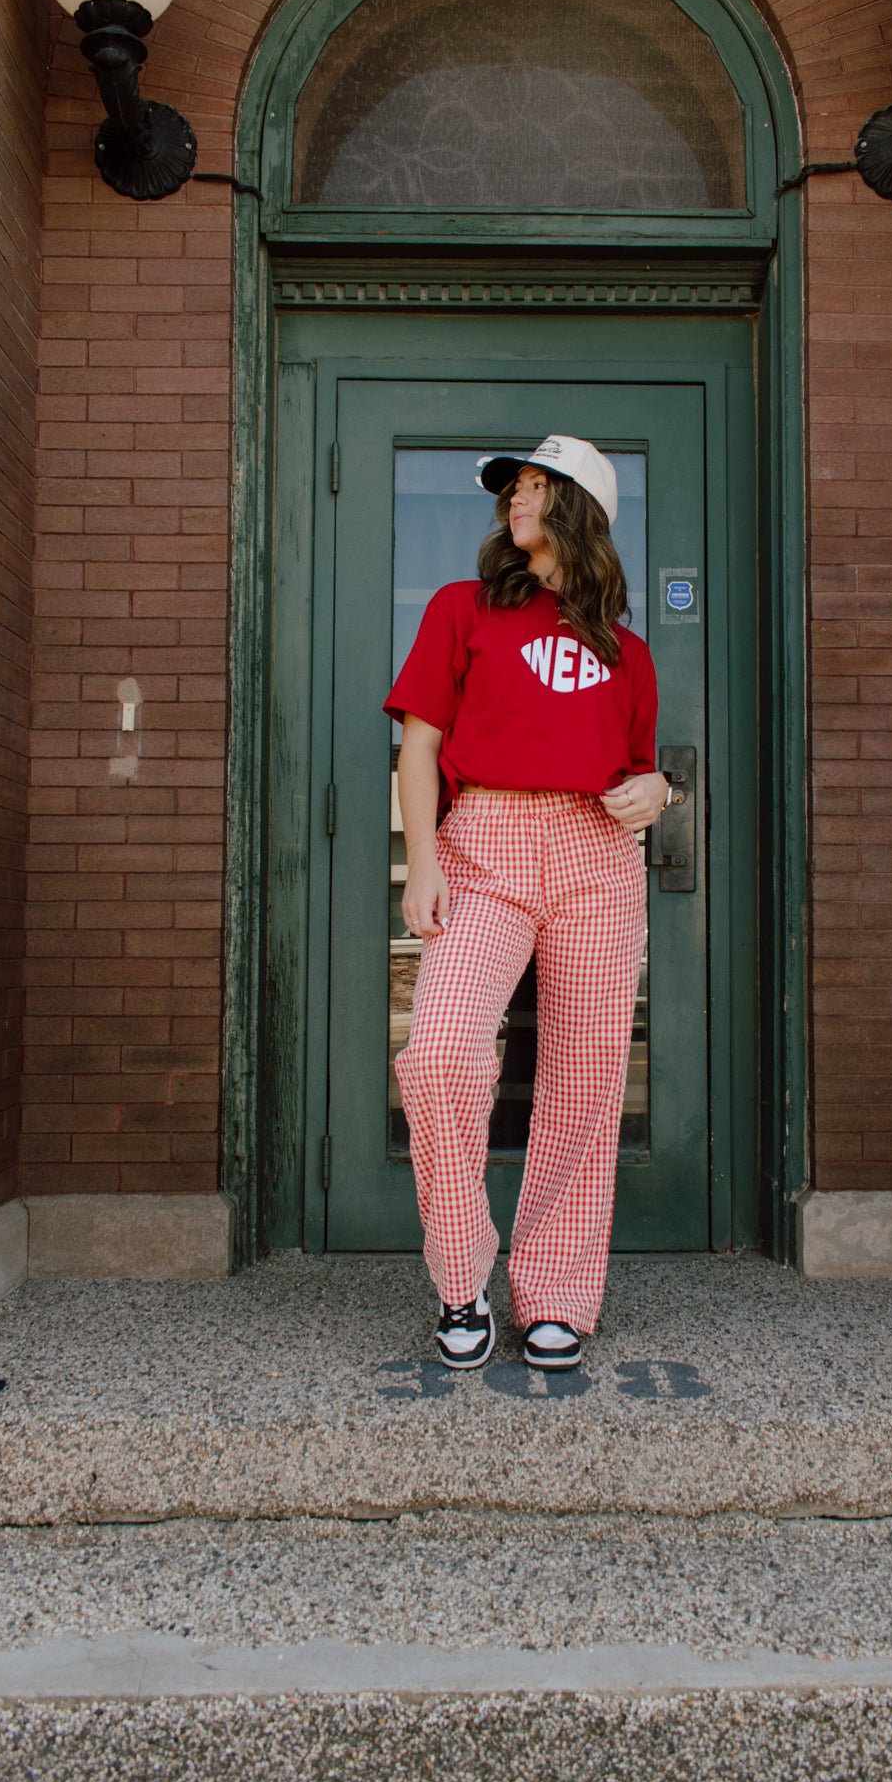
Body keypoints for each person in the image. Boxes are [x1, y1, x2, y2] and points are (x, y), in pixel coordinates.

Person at [383, 434, 669, 1374]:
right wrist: (422, 860)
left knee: (584, 1086)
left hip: (594, 856)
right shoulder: (460, 610)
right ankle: (462, 1274)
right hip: (485, 849)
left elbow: (631, 771)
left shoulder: (625, 651)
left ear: (577, 510)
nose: (516, 498)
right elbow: (419, 747)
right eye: (514, 485)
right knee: (438, 1054)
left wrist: (657, 793)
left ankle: (554, 1292)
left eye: (538, 487)